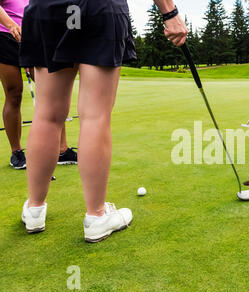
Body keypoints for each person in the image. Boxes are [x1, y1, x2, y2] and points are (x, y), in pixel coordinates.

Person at [19, 0, 188, 242]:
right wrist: (169, 12)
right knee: (95, 116)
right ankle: (97, 216)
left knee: (47, 114)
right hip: (98, 7)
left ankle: (34, 210)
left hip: (50, 8)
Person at [0, 0, 77, 170]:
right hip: (5, 35)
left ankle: (62, 150)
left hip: (36, 35)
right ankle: (17, 152)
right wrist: (11, 25)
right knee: (14, 93)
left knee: (52, 91)